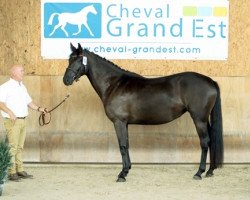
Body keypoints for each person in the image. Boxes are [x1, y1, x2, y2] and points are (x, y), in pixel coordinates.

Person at [0, 65, 47, 182]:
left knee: (19, 147)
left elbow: (29, 102)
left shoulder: (22, 87)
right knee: (13, 147)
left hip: (22, 120)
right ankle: (11, 172)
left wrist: (39, 108)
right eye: (21, 71)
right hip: (13, 121)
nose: (23, 73)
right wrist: (10, 112)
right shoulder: (5, 87)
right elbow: (0, 103)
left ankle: (19, 169)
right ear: (14, 73)